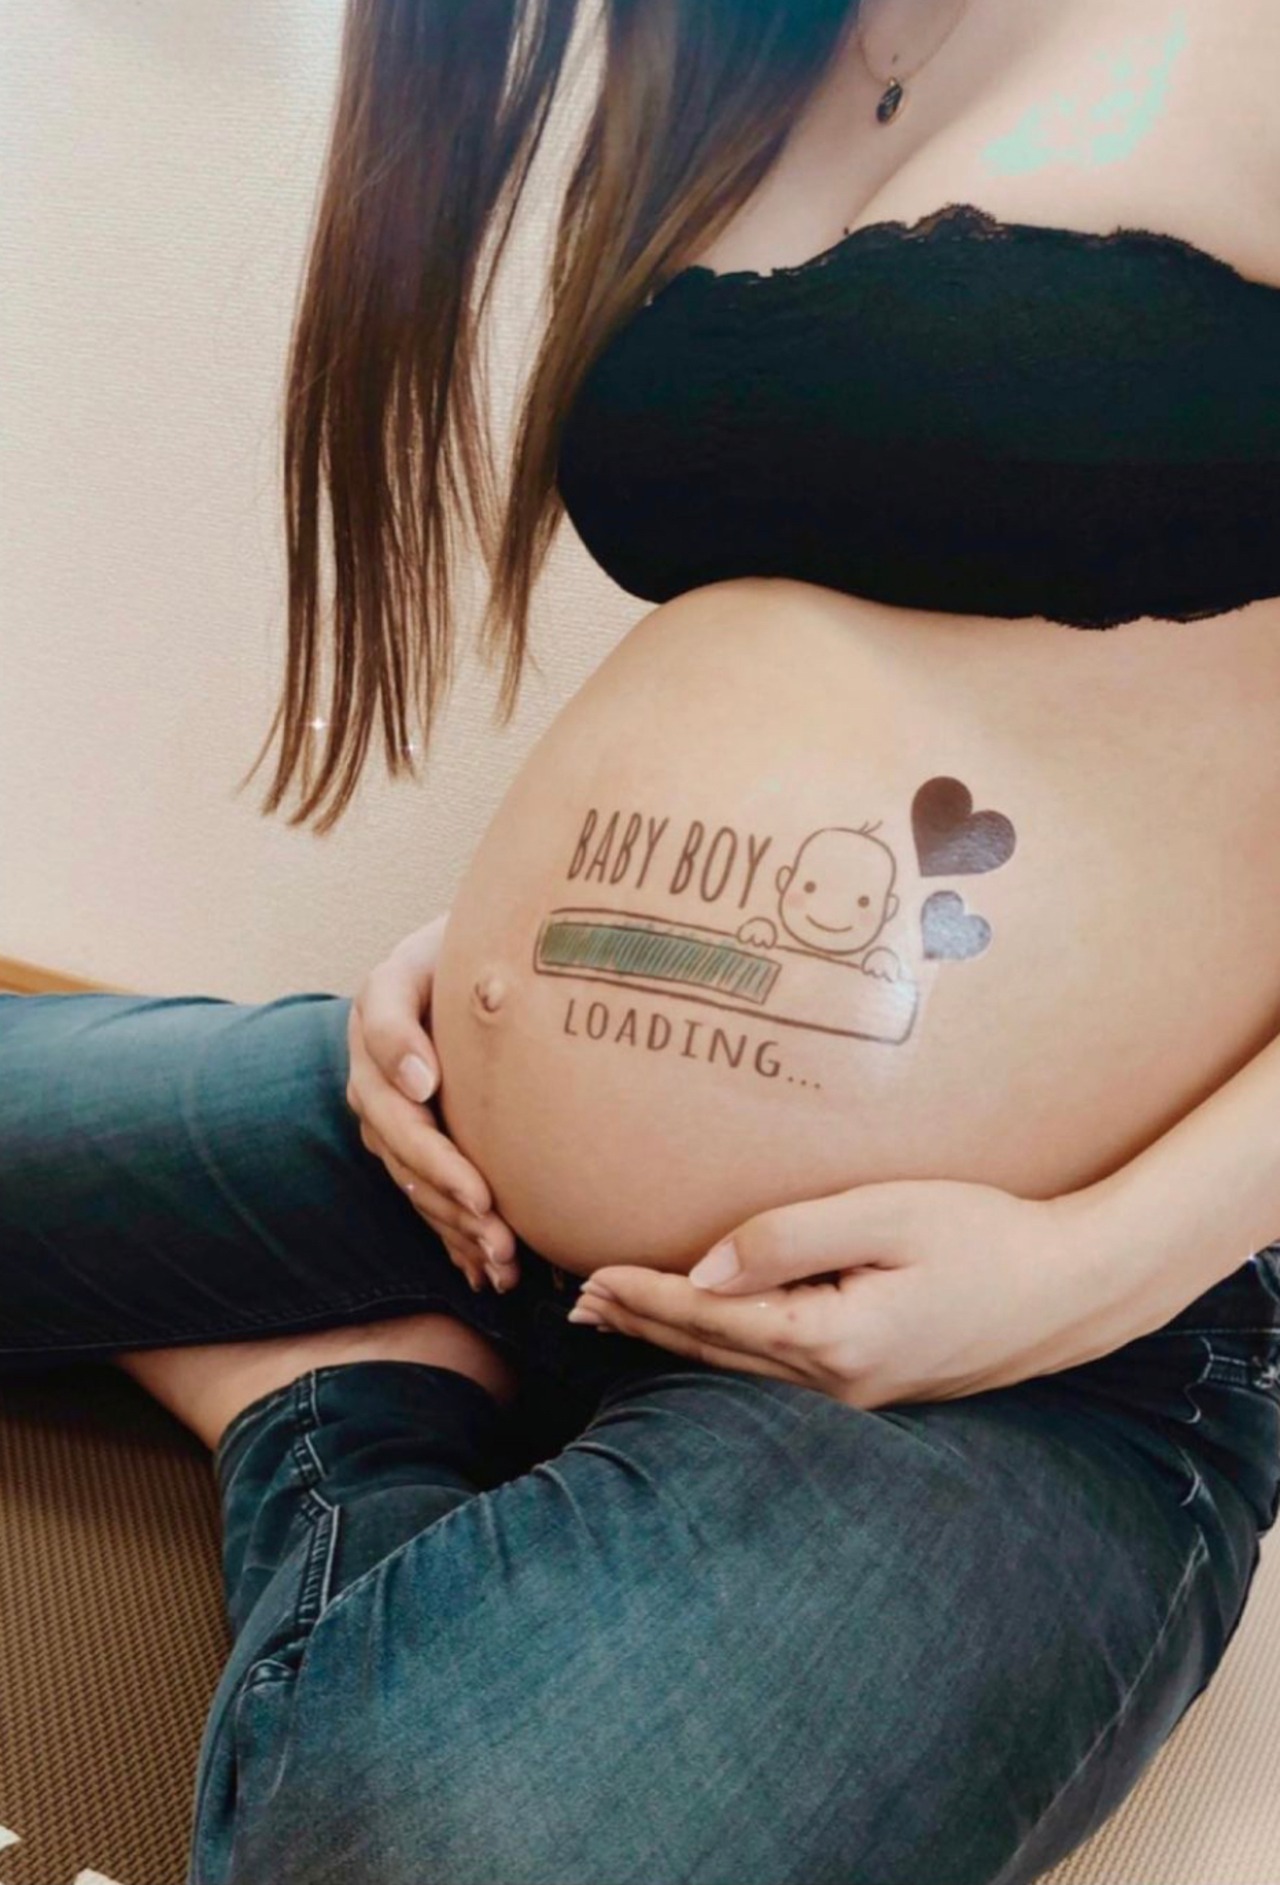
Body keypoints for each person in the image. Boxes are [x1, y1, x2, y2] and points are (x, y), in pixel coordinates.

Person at [4, 2, 1280, 1880]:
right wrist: (512, 956)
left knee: (419, 1847)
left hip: (1026, 1354)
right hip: (455, 1174)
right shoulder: (733, 50)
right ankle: (419, 1333)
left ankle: (337, 1403)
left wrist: (1080, 1271)